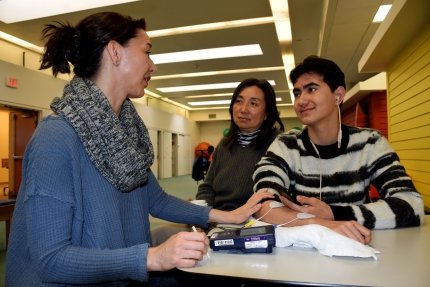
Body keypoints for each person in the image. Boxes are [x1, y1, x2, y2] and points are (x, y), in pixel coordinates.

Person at [5, 12, 274, 286]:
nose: (153, 66)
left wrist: (229, 216)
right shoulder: (55, 138)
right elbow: (51, 260)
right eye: (147, 52)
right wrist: (152, 257)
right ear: (114, 52)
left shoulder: (123, 132)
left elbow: (156, 200)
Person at [252, 56, 424, 244]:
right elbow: (261, 204)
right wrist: (321, 223)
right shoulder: (285, 145)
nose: (301, 100)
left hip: (356, 247)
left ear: (338, 95)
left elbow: (412, 205)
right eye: (297, 93)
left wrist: (334, 213)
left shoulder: (370, 143)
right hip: (300, 253)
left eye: (311, 89)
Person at [196, 78, 285, 211]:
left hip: (255, 221)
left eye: (253, 103)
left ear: (267, 113)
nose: (243, 109)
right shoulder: (224, 144)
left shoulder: (279, 143)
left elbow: (274, 197)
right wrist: (201, 213)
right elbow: (207, 187)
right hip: (217, 218)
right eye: (238, 101)